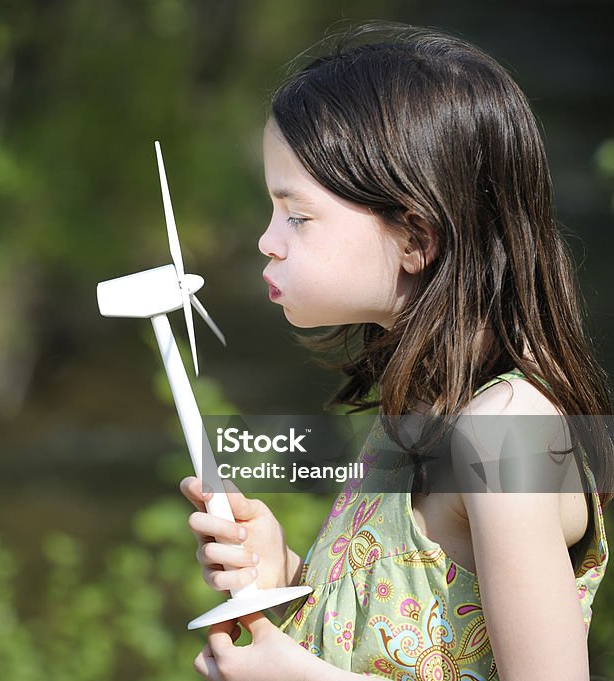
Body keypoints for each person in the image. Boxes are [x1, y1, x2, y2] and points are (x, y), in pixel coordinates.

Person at [181, 23, 611, 681]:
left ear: (415, 237)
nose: (268, 240)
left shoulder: (503, 433)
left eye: (297, 216)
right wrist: (288, 574)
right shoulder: (425, 400)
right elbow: (404, 629)